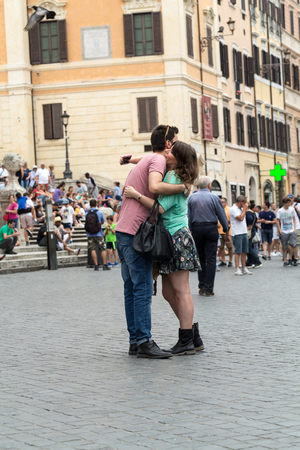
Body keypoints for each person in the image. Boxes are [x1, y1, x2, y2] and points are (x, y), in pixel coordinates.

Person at [116, 125, 196, 359]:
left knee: (133, 289)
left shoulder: (151, 160)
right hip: (137, 232)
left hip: (125, 230)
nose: (172, 148)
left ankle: (139, 340)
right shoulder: (160, 164)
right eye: (174, 142)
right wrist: (183, 187)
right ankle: (144, 341)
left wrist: (130, 159)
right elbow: (154, 188)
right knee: (142, 288)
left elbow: (151, 161)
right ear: (168, 144)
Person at [188, 177, 230, 296]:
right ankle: (208, 288)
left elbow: (189, 216)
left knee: (200, 257)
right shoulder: (214, 197)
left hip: (197, 228)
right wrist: (226, 231)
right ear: (209, 185)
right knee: (211, 258)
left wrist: (189, 229)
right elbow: (221, 215)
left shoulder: (191, 197)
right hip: (211, 228)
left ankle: (201, 286)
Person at [229, 196, 252, 276]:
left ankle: (244, 267)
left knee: (244, 251)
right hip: (237, 233)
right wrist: (245, 209)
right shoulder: (233, 209)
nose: (246, 204)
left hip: (244, 232)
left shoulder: (241, 209)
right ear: (241, 202)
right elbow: (240, 218)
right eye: (245, 202)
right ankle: (237, 268)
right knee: (238, 252)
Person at [85, 198, 110, 270]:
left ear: (89, 205)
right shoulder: (99, 212)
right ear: (96, 204)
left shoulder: (87, 213)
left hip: (89, 234)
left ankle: (96, 265)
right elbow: (102, 221)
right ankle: (104, 265)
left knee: (92, 249)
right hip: (98, 233)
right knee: (102, 249)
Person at [277, 196, 298, 267]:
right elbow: (277, 221)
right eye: (288, 202)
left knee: (293, 245)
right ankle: (285, 260)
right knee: (284, 246)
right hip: (284, 231)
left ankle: (290, 258)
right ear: (284, 203)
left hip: (291, 230)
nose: (289, 204)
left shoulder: (292, 209)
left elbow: (294, 219)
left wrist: (294, 228)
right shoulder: (280, 211)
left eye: (290, 202)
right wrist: (280, 230)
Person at [218, 197, 233, 268]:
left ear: (225, 202)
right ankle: (223, 261)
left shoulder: (229, 209)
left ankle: (230, 261)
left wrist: (224, 220)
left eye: (222, 202)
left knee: (230, 247)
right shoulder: (218, 209)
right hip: (219, 231)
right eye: (220, 202)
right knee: (221, 247)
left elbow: (231, 220)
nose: (221, 203)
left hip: (227, 231)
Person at [245, 204, 262, 269]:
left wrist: (248, 226)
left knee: (249, 247)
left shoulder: (248, 213)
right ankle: (249, 261)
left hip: (249, 231)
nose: (256, 208)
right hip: (252, 231)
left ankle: (257, 261)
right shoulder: (253, 213)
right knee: (249, 246)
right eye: (255, 207)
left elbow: (250, 219)